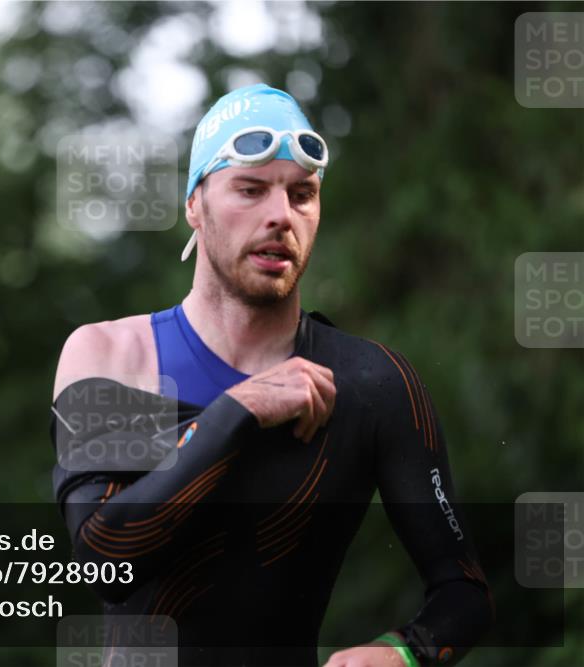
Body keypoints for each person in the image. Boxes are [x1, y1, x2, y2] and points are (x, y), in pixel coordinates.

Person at [50, 84, 493, 667]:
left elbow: (463, 593)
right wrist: (237, 411)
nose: (280, 215)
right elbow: (105, 558)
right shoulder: (117, 357)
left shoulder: (370, 383)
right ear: (195, 205)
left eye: (302, 194)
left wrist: (404, 654)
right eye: (250, 189)